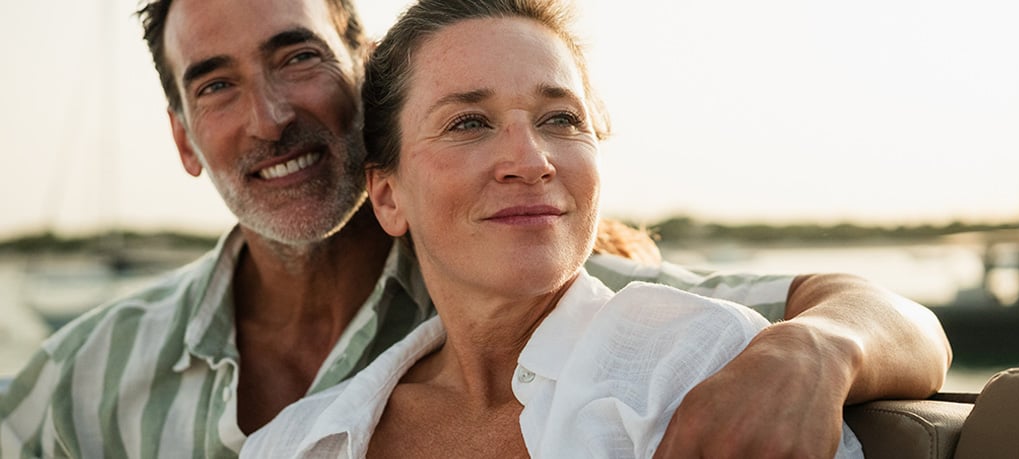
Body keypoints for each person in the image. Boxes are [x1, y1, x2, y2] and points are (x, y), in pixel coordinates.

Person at [0, 0, 950, 457]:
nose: (269, 116)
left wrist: (814, 351)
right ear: (183, 139)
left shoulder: (553, 287)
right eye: (215, 84)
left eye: (297, 57)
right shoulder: (94, 368)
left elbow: (882, 316)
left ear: (362, 72)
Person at [240, 0, 864, 456]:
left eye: (561, 118)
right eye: (468, 123)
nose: (531, 161)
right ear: (387, 195)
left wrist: (818, 345)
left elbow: (867, 313)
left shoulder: (698, 362)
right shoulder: (294, 444)